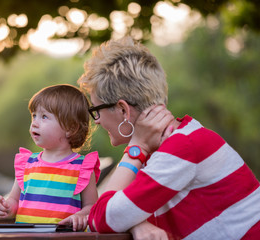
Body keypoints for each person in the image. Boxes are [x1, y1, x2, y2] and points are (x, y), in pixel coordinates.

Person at [78, 36, 260, 239]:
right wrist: (137, 224)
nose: (97, 121)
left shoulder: (181, 147)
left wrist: (135, 148)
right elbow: (111, 211)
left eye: (96, 110)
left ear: (123, 110)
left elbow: (100, 217)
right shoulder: (167, 147)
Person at [0, 84, 100, 232]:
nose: (35, 123)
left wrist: (81, 215)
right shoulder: (27, 164)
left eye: (44, 117)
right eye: (34, 116)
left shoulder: (82, 167)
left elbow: (93, 207)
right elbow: (14, 200)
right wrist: (8, 208)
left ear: (71, 128)